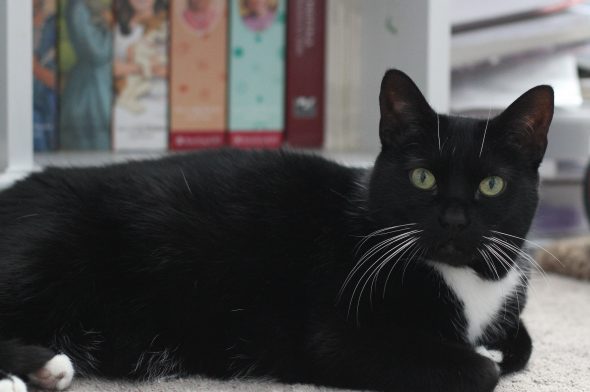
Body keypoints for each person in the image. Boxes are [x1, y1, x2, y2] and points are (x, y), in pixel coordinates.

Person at [60, 0, 113, 150]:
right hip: (89, 89)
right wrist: (111, 28)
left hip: (100, 81)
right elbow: (97, 52)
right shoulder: (78, 6)